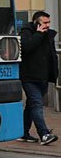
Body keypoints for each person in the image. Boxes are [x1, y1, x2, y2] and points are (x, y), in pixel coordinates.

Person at [19, 11, 59, 144]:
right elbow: (26, 47)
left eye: (49, 22)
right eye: (45, 23)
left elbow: (51, 55)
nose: (47, 25)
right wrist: (38, 34)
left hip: (43, 77)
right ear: (37, 23)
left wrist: (54, 73)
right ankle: (44, 134)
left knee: (31, 105)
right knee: (37, 104)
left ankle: (23, 133)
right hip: (29, 76)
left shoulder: (49, 35)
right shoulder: (26, 32)